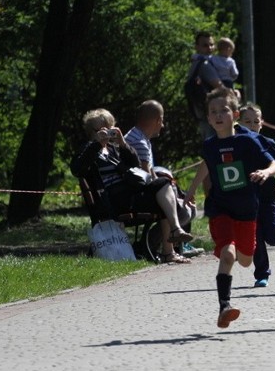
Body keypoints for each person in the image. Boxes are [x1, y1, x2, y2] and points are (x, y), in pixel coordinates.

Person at [184, 88, 275, 328]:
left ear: (235, 114)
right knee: (227, 254)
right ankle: (224, 306)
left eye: (224, 110)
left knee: (246, 261)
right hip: (220, 208)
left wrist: (266, 172)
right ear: (208, 118)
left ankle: (241, 258)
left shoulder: (247, 141)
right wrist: (192, 189)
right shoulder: (209, 145)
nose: (218, 115)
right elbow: (207, 165)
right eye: (213, 112)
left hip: (248, 210)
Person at [71, 108, 193, 264]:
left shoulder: (113, 149)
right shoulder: (88, 149)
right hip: (112, 201)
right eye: (102, 130)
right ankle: (171, 245)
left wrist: (122, 143)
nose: (107, 133)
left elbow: (135, 165)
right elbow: (77, 169)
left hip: (129, 194)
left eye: (110, 129)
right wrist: (96, 144)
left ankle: (172, 241)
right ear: (92, 131)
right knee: (162, 196)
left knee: (164, 185)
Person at [124, 100, 200, 258]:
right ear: (158, 120)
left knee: (183, 205)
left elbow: (151, 175)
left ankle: (168, 247)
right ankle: (150, 247)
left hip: (136, 192)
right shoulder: (139, 142)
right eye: (162, 120)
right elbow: (147, 180)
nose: (163, 125)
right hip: (135, 197)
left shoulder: (139, 136)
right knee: (183, 211)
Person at [238, 103, 275, 288]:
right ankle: (262, 274)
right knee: (256, 236)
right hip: (247, 199)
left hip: (268, 196)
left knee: (273, 237)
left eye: (256, 121)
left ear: (262, 123)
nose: (252, 125)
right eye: (247, 121)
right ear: (239, 122)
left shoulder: (268, 143)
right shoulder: (235, 144)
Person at [184, 31, 224, 139]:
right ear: (197, 47)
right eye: (205, 45)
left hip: (202, 114)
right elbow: (220, 87)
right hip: (211, 115)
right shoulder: (204, 64)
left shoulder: (195, 62)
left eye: (211, 45)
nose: (209, 48)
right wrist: (235, 95)